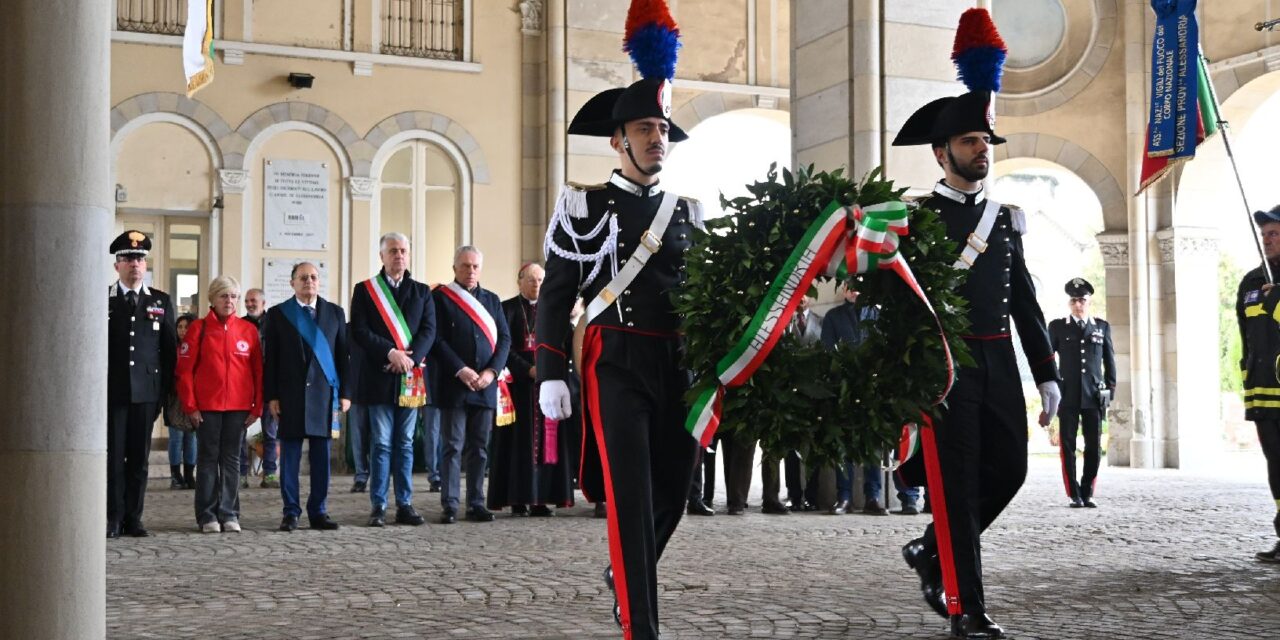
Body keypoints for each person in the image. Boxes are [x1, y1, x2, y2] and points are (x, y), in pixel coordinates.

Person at [890, 9, 1061, 638]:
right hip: (946, 368)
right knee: (957, 487)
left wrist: (1046, 372)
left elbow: (1025, 302)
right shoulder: (914, 219)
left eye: (985, 141)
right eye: (969, 142)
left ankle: (930, 548)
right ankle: (967, 610)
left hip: (998, 363)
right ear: (942, 153)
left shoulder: (1006, 219)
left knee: (1010, 471)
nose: (981, 149)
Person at [536, 2, 702, 635]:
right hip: (616, 360)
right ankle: (641, 625)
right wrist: (551, 369)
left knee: (675, 490)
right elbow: (556, 295)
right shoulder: (585, 206)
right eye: (644, 129)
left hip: (677, 363)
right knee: (629, 495)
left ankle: (626, 574)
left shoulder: (687, 210)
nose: (657, 138)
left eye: (662, 128)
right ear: (618, 140)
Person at [350, 232, 437, 527]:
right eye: (393, 251)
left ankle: (405, 504)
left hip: (410, 377)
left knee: (406, 444)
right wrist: (390, 353)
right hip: (379, 376)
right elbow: (360, 330)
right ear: (382, 256)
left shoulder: (422, 291)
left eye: (403, 251)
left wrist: (410, 358)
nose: (398, 255)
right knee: (382, 443)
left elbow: (429, 330)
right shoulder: (365, 290)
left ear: (408, 255)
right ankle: (379, 505)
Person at [264, 262, 352, 531]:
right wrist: (272, 396)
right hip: (289, 396)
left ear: (319, 281)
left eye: (313, 277)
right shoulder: (278, 314)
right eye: (303, 278)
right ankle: (291, 511)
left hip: (324, 396)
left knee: (321, 458)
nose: (309, 281)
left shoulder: (335, 313)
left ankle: (318, 511)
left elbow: (343, 355)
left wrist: (346, 393)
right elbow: (271, 359)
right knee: (290, 457)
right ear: (292, 283)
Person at [177, 275, 264, 533]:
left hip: (238, 407)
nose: (229, 301)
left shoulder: (248, 330)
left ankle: (229, 513)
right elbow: (184, 371)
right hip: (207, 407)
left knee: (232, 460)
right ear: (212, 299)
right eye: (224, 296)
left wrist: (257, 406)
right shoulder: (198, 329)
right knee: (207, 460)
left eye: (233, 296)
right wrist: (190, 405)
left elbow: (258, 372)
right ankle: (207, 515)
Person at [431, 246, 511, 524]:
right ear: (455, 268)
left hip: (485, 385)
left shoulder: (492, 300)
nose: (471, 271)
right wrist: (460, 369)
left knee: (479, 447)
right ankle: (450, 504)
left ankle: (476, 502)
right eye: (465, 266)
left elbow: (505, 339)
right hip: (454, 384)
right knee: (452, 446)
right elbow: (437, 339)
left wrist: (492, 371)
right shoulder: (441, 298)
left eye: (475, 266)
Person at [106, 230, 177, 538]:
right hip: (113, 394)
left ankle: (134, 518)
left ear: (145, 265)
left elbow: (169, 352)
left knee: (139, 460)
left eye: (139, 259)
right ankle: (113, 517)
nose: (134, 264)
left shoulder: (160, 301)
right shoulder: (104, 299)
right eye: (128, 259)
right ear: (117, 265)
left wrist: (163, 395)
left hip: (146, 395)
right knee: (114, 460)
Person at [490, 263, 575, 517]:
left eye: (540, 280)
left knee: (547, 443)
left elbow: (566, 343)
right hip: (517, 388)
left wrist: (549, 369)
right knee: (517, 444)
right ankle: (518, 499)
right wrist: (527, 370)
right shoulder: (506, 309)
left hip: (547, 385)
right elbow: (503, 346)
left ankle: (542, 499)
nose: (536, 284)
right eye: (531, 279)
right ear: (520, 282)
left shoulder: (554, 310)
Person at [819, 285, 889, 516]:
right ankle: (844, 497)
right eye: (850, 287)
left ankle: (872, 497)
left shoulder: (877, 314)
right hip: (843, 387)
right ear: (844, 291)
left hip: (872, 386)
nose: (855, 292)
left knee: (872, 443)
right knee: (843, 442)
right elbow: (827, 349)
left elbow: (885, 347)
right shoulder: (833, 316)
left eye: (860, 287)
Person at [1048, 278, 1116, 509]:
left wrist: (1110, 390)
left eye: (1082, 300)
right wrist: (1052, 386)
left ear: (1089, 302)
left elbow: (1110, 361)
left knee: (1093, 446)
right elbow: (1049, 359)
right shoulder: (1057, 327)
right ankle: (1073, 494)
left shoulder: (1101, 327)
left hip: (1094, 396)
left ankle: (1088, 492)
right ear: (1069, 303)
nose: (1078, 304)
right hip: (1067, 394)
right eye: (1074, 300)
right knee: (1067, 446)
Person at [1237, 205, 1280, 562]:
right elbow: (1245, 337)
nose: (1267, 240)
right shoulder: (1251, 281)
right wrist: (1247, 378)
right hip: (1263, 391)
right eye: (1264, 234)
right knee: (1275, 463)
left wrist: (1276, 300)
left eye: (1274, 234)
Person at [240, 288, 279, 489]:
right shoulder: (239, 324)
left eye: (253, 300)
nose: (249, 304)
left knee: (270, 432)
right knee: (239, 431)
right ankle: (241, 474)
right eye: (247, 301)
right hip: (245, 386)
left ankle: (270, 474)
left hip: (269, 385)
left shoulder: (275, 324)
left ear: (264, 303)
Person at [166, 313, 198, 490]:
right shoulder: (171, 348)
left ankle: (189, 474)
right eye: (180, 327)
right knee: (176, 437)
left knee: (191, 437)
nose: (183, 331)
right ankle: (175, 475)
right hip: (174, 398)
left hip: (193, 397)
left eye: (187, 327)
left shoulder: (198, 346)